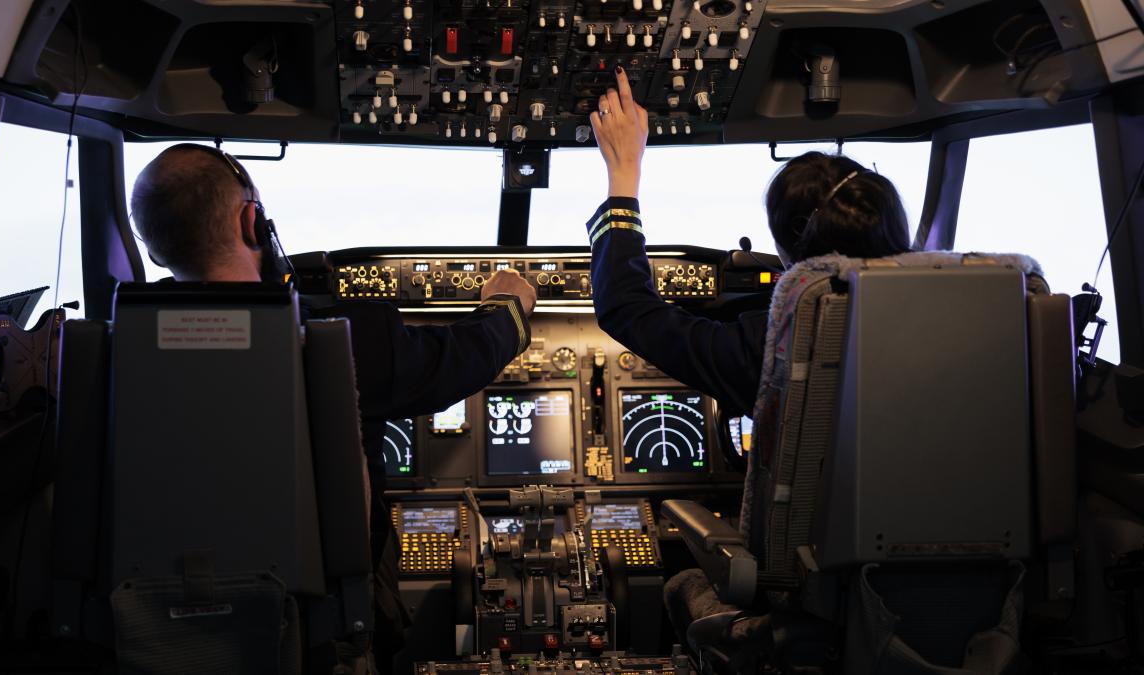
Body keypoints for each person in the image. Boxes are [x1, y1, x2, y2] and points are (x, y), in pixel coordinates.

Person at [130, 143, 536, 673]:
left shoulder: (124, 347)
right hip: (324, 630)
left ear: (158, 253)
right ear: (252, 222)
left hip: (166, 628)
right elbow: (450, 364)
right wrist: (508, 311)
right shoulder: (337, 338)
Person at [585, 67, 912, 418]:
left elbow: (626, 306)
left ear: (792, 248)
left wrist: (624, 170)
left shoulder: (780, 344)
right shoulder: (952, 315)